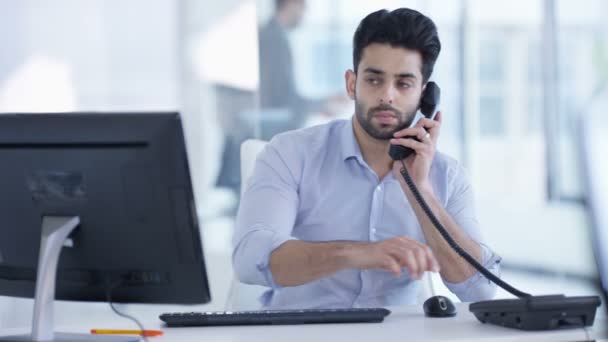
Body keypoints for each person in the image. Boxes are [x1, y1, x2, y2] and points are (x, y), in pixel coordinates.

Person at [233, 8, 501, 309]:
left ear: (424, 96)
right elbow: (248, 257)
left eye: (404, 84)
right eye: (374, 80)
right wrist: (358, 253)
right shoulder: (291, 153)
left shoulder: (447, 175)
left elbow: (479, 290)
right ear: (352, 84)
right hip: (301, 332)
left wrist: (421, 191)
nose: (387, 95)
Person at [258, 0, 344, 137]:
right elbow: (280, 101)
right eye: (303, 6)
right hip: (269, 134)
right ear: (291, 3)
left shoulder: (270, 35)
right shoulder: (273, 39)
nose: (305, 13)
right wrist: (322, 104)